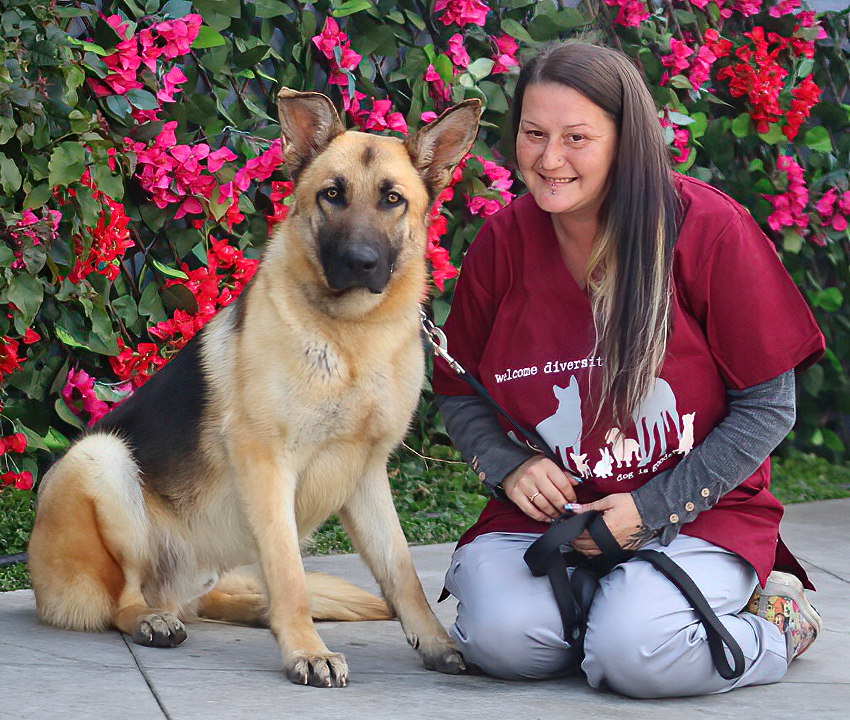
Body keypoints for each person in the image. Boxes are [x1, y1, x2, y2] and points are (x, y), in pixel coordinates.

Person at [431, 42, 825, 698]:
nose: (549, 159)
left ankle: (778, 620)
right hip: (552, 518)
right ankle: (614, 606)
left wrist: (649, 509)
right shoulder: (502, 241)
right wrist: (510, 466)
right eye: (534, 134)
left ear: (625, 139)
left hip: (695, 511)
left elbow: (768, 406)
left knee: (637, 655)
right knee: (502, 641)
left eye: (577, 138)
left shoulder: (708, 229)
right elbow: (458, 390)